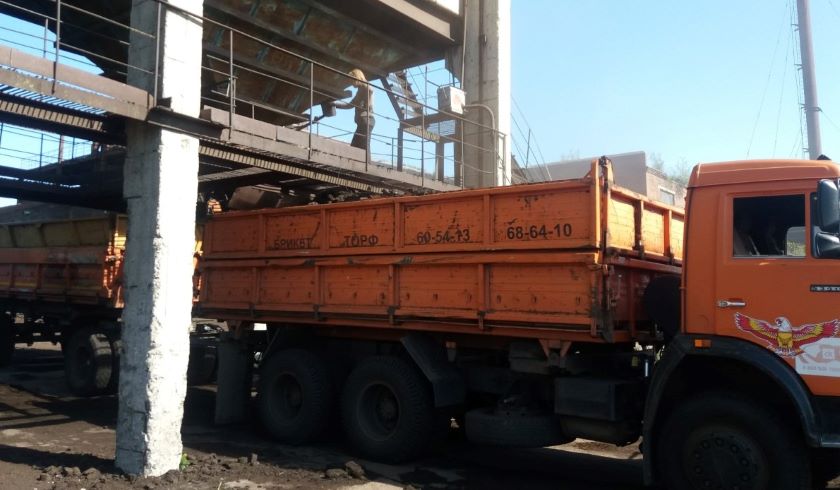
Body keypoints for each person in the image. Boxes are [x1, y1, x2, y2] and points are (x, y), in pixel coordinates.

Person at [334, 68, 375, 151]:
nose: (350, 82)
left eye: (351, 80)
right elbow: (350, 105)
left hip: (366, 120)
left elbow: (370, 90)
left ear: (356, 78)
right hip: (363, 121)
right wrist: (335, 105)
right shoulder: (360, 91)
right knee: (356, 146)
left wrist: (367, 104)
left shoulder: (364, 87)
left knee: (363, 146)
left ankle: (367, 160)